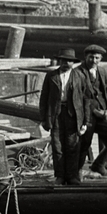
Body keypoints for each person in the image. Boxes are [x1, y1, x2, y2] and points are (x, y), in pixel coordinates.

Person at [38, 48, 83, 185]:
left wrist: (85, 120)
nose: (66, 63)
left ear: (73, 62)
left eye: (69, 61)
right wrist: (44, 118)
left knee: (72, 146)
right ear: (59, 61)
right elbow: (44, 98)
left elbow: (86, 99)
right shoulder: (51, 76)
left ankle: (72, 176)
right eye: (63, 60)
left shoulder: (79, 76)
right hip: (56, 114)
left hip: (73, 115)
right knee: (57, 146)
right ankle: (60, 176)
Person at [75, 44, 107, 176]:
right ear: (85, 57)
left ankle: (99, 164)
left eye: (97, 58)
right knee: (84, 143)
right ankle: (76, 172)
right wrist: (94, 111)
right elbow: (78, 97)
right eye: (91, 57)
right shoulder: (77, 73)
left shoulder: (102, 72)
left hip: (104, 113)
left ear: (101, 58)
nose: (94, 61)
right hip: (87, 114)